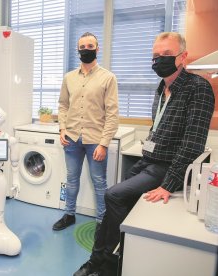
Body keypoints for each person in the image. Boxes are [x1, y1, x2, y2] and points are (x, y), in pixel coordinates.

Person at [74, 32, 215, 276]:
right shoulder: (162, 88)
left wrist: (169, 185)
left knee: (114, 195)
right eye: (155, 56)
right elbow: (157, 127)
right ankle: (98, 262)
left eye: (167, 55)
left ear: (184, 57)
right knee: (114, 206)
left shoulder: (198, 88)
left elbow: (193, 144)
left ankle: (107, 264)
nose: (159, 60)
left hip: (168, 167)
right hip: (149, 160)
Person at [55, 32, 119, 232]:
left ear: (97, 49)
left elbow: (112, 113)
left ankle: (102, 222)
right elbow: (63, 105)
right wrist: (62, 129)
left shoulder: (108, 78)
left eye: (90, 46)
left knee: (99, 182)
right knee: (71, 179)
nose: (86, 50)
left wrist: (104, 143)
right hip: (72, 138)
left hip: (95, 141)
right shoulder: (69, 78)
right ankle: (69, 214)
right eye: (82, 47)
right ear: (78, 49)